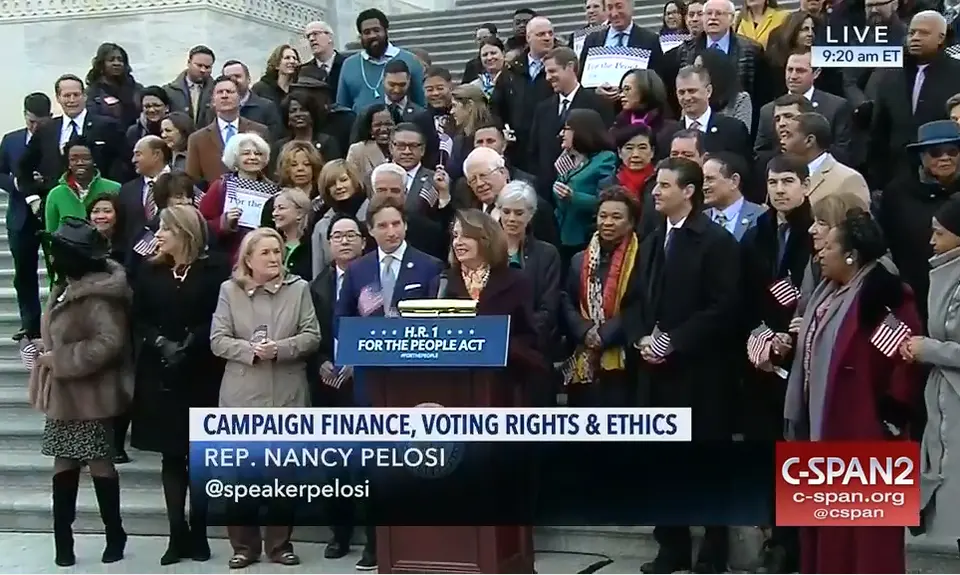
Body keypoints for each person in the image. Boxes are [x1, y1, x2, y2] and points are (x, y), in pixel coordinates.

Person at [785, 211, 923, 573]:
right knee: (825, 534)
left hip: (866, 429)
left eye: (829, 246)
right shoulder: (824, 293)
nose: (819, 252)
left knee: (868, 540)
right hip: (820, 425)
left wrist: (892, 412)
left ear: (852, 255)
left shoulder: (884, 296)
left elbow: (904, 356)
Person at [626, 157, 741, 573]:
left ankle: (713, 551)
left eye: (664, 186)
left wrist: (673, 341)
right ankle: (671, 545)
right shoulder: (653, 239)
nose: (655, 192)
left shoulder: (715, 241)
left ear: (689, 192)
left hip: (700, 375)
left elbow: (723, 307)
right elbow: (634, 299)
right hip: (656, 375)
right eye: (656, 186)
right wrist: (641, 337)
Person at [210, 227, 320, 568]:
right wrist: (250, 351)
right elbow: (217, 339)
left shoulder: (299, 288)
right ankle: (243, 546)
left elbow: (312, 335)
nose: (274, 258)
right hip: (243, 394)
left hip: (287, 392)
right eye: (266, 253)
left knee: (284, 476)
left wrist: (281, 349)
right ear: (248, 259)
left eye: (277, 252)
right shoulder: (229, 290)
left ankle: (279, 545)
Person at [129, 205, 227, 565]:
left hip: (201, 370)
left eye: (164, 229)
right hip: (160, 373)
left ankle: (199, 532)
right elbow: (138, 316)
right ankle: (176, 534)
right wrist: (160, 342)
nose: (158, 235)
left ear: (184, 233)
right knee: (170, 455)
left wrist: (191, 341)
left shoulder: (215, 269)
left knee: (199, 457)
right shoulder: (149, 271)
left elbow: (220, 313)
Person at [31, 217, 132, 567]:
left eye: (59, 250)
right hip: (64, 395)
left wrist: (59, 358)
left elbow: (109, 343)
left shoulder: (99, 295)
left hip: (92, 396)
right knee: (63, 464)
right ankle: (63, 540)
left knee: (99, 463)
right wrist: (44, 348)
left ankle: (114, 533)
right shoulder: (66, 286)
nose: (52, 256)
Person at [739, 155, 813, 573]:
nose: (780, 189)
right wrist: (763, 338)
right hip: (761, 360)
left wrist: (790, 337)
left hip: (804, 359)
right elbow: (745, 294)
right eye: (773, 182)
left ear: (805, 185)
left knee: (796, 454)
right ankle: (775, 540)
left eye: (788, 181)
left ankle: (797, 544)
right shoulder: (757, 234)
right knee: (764, 450)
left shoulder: (817, 232)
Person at [308, 213, 368, 562]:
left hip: (366, 382)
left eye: (351, 235)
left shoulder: (375, 278)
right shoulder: (316, 285)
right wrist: (320, 362)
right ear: (328, 244)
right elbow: (308, 332)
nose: (344, 241)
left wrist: (356, 362)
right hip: (329, 385)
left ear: (363, 241)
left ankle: (375, 539)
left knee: (371, 463)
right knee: (334, 464)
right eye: (337, 236)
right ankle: (339, 533)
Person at [906, 194, 960, 541]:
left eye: (939, 233)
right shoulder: (944, 271)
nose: (931, 241)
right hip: (942, 398)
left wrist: (928, 349)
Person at [560, 187, 642, 406]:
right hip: (584, 354)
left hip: (625, 358)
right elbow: (567, 300)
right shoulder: (579, 259)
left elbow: (639, 304)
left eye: (616, 217)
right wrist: (585, 330)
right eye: (603, 216)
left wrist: (605, 334)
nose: (608, 222)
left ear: (631, 222)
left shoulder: (642, 259)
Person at [444, 209, 545, 374]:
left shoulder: (516, 282)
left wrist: (497, 346)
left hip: (503, 374)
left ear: (486, 239)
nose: (458, 242)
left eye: (466, 236)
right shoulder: (443, 282)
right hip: (454, 376)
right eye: (455, 236)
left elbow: (529, 338)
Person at [197, 132, 280, 264]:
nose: (253, 157)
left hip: (263, 257)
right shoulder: (221, 186)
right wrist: (224, 222)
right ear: (235, 158)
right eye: (246, 153)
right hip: (228, 258)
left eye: (258, 154)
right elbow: (201, 224)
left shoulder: (273, 190)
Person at [497, 180, 561, 348]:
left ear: (531, 214)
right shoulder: (485, 251)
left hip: (532, 343)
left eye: (519, 213)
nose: (511, 218)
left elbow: (549, 308)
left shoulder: (547, 254)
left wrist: (519, 334)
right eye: (506, 211)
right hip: (491, 338)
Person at [554, 109, 617, 264]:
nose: (562, 133)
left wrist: (573, 197)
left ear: (582, 131)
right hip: (560, 234)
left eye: (567, 129)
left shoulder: (605, 159)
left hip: (584, 237)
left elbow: (604, 201)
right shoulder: (568, 158)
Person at [44, 137, 121, 235]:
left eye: (86, 158)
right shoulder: (55, 194)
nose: (80, 163)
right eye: (73, 159)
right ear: (68, 163)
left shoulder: (115, 188)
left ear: (94, 161)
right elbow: (51, 233)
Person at [312, 160, 371, 276]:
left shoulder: (373, 214)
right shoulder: (321, 226)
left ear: (354, 180)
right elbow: (318, 272)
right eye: (332, 184)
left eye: (343, 180)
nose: (339, 187)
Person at [346, 103, 398, 185]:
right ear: (369, 129)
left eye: (388, 124)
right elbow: (352, 184)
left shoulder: (404, 148)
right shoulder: (357, 150)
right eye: (377, 125)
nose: (384, 129)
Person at [272, 187, 315, 280]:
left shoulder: (312, 246)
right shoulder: (273, 243)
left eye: (281, 208)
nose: (274, 213)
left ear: (299, 213)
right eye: (274, 208)